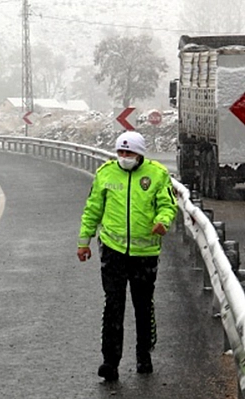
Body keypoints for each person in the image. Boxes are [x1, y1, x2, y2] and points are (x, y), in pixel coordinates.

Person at [76, 131, 177, 382]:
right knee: (113, 305)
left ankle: (144, 354)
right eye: (120, 153)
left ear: (140, 154)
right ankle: (110, 361)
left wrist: (163, 222)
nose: (124, 157)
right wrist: (83, 241)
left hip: (145, 254)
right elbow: (93, 209)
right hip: (113, 251)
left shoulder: (157, 174)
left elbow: (167, 205)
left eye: (129, 153)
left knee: (143, 306)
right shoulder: (105, 173)